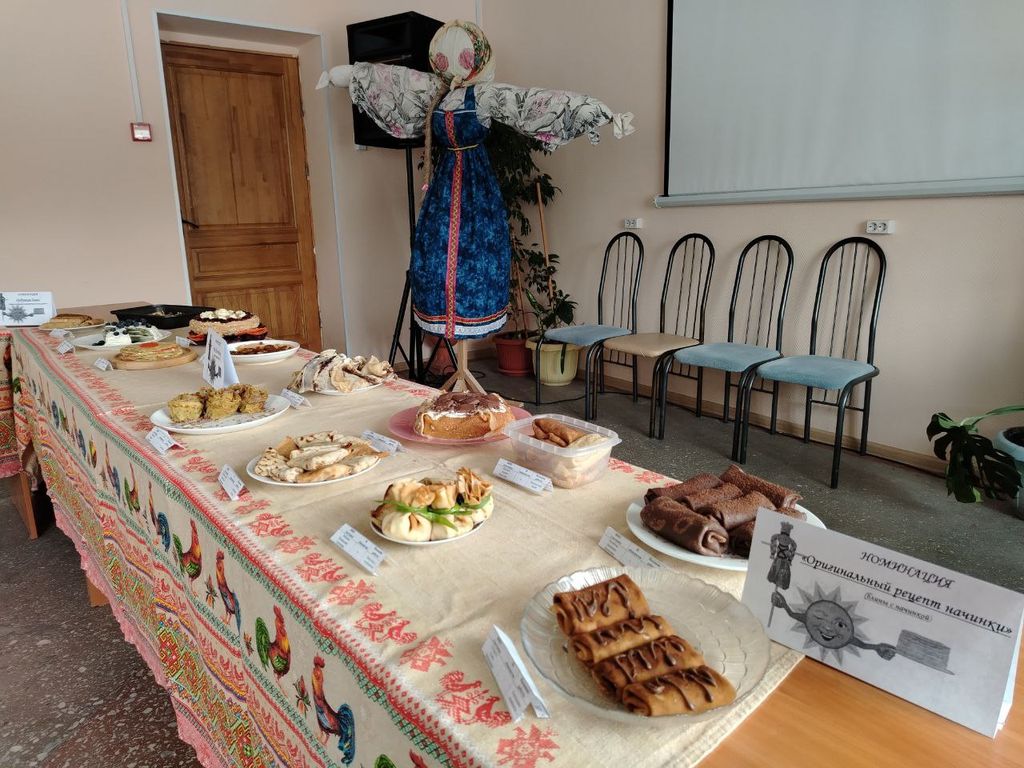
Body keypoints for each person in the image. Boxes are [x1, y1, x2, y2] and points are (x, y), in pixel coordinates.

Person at [319, 20, 633, 340]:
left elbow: (530, 102)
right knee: (434, 256)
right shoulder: (435, 92)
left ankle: (471, 319)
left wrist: (596, 111)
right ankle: (443, 320)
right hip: (443, 186)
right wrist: (347, 76)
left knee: (478, 256)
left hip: (476, 187)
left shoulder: (484, 96)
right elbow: (396, 82)